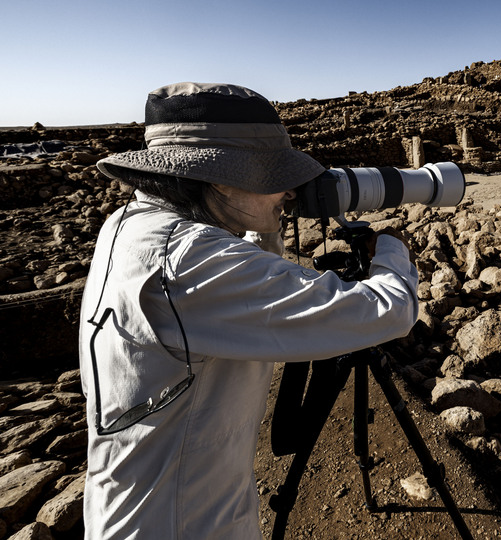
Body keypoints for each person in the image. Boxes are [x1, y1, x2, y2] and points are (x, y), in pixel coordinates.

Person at [79, 82, 419, 539]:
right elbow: (388, 312)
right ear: (219, 176)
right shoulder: (190, 262)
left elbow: (238, 277)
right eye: (273, 176)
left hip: (138, 509)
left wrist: (260, 223)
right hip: (184, 524)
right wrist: (394, 251)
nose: (289, 192)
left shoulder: (131, 226)